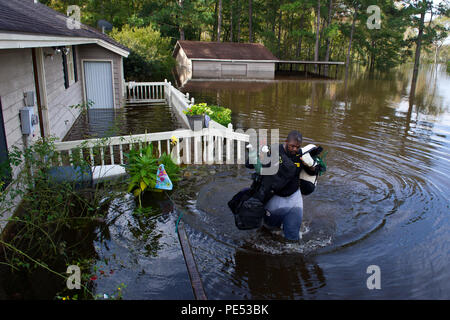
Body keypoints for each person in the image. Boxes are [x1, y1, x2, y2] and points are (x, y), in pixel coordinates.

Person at [261, 130, 303, 242]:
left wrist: (314, 166)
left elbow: (313, 173)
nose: (294, 149)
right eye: (292, 146)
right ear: (286, 142)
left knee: (293, 237)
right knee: (268, 231)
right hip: (275, 198)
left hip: (294, 198)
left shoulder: (302, 155)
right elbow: (251, 164)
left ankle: (293, 257)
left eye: (297, 147)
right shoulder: (273, 150)